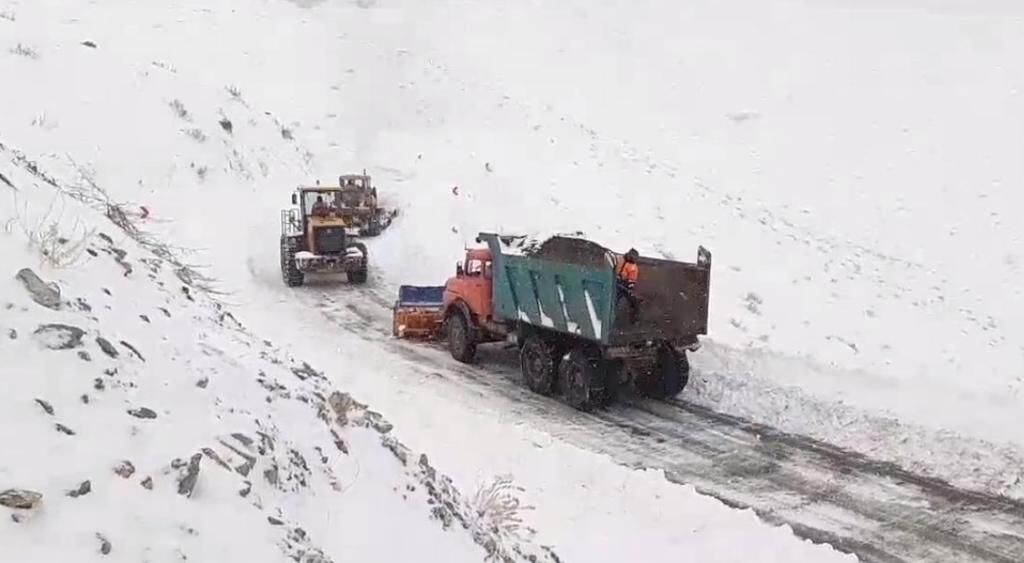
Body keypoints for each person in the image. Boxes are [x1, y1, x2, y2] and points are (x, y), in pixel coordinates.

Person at [616, 248, 640, 324]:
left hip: (623, 285)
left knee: (633, 302)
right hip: (618, 283)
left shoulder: (632, 266)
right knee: (615, 300)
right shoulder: (621, 260)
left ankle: (633, 319)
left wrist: (630, 288)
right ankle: (634, 320)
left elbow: (632, 280)